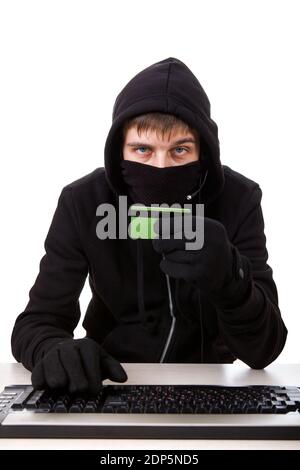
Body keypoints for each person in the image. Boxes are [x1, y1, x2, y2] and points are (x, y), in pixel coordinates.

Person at [11, 57, 287, 395]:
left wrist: (232, 278)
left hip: (210, 389)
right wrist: (54, 349)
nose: (161, 166)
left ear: (204, 152)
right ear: (119, 150)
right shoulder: (83, 202)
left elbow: (265, 350)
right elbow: (35, 323)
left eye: (180, 150)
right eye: (142, 149)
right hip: (111, 381)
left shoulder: (239, 200)